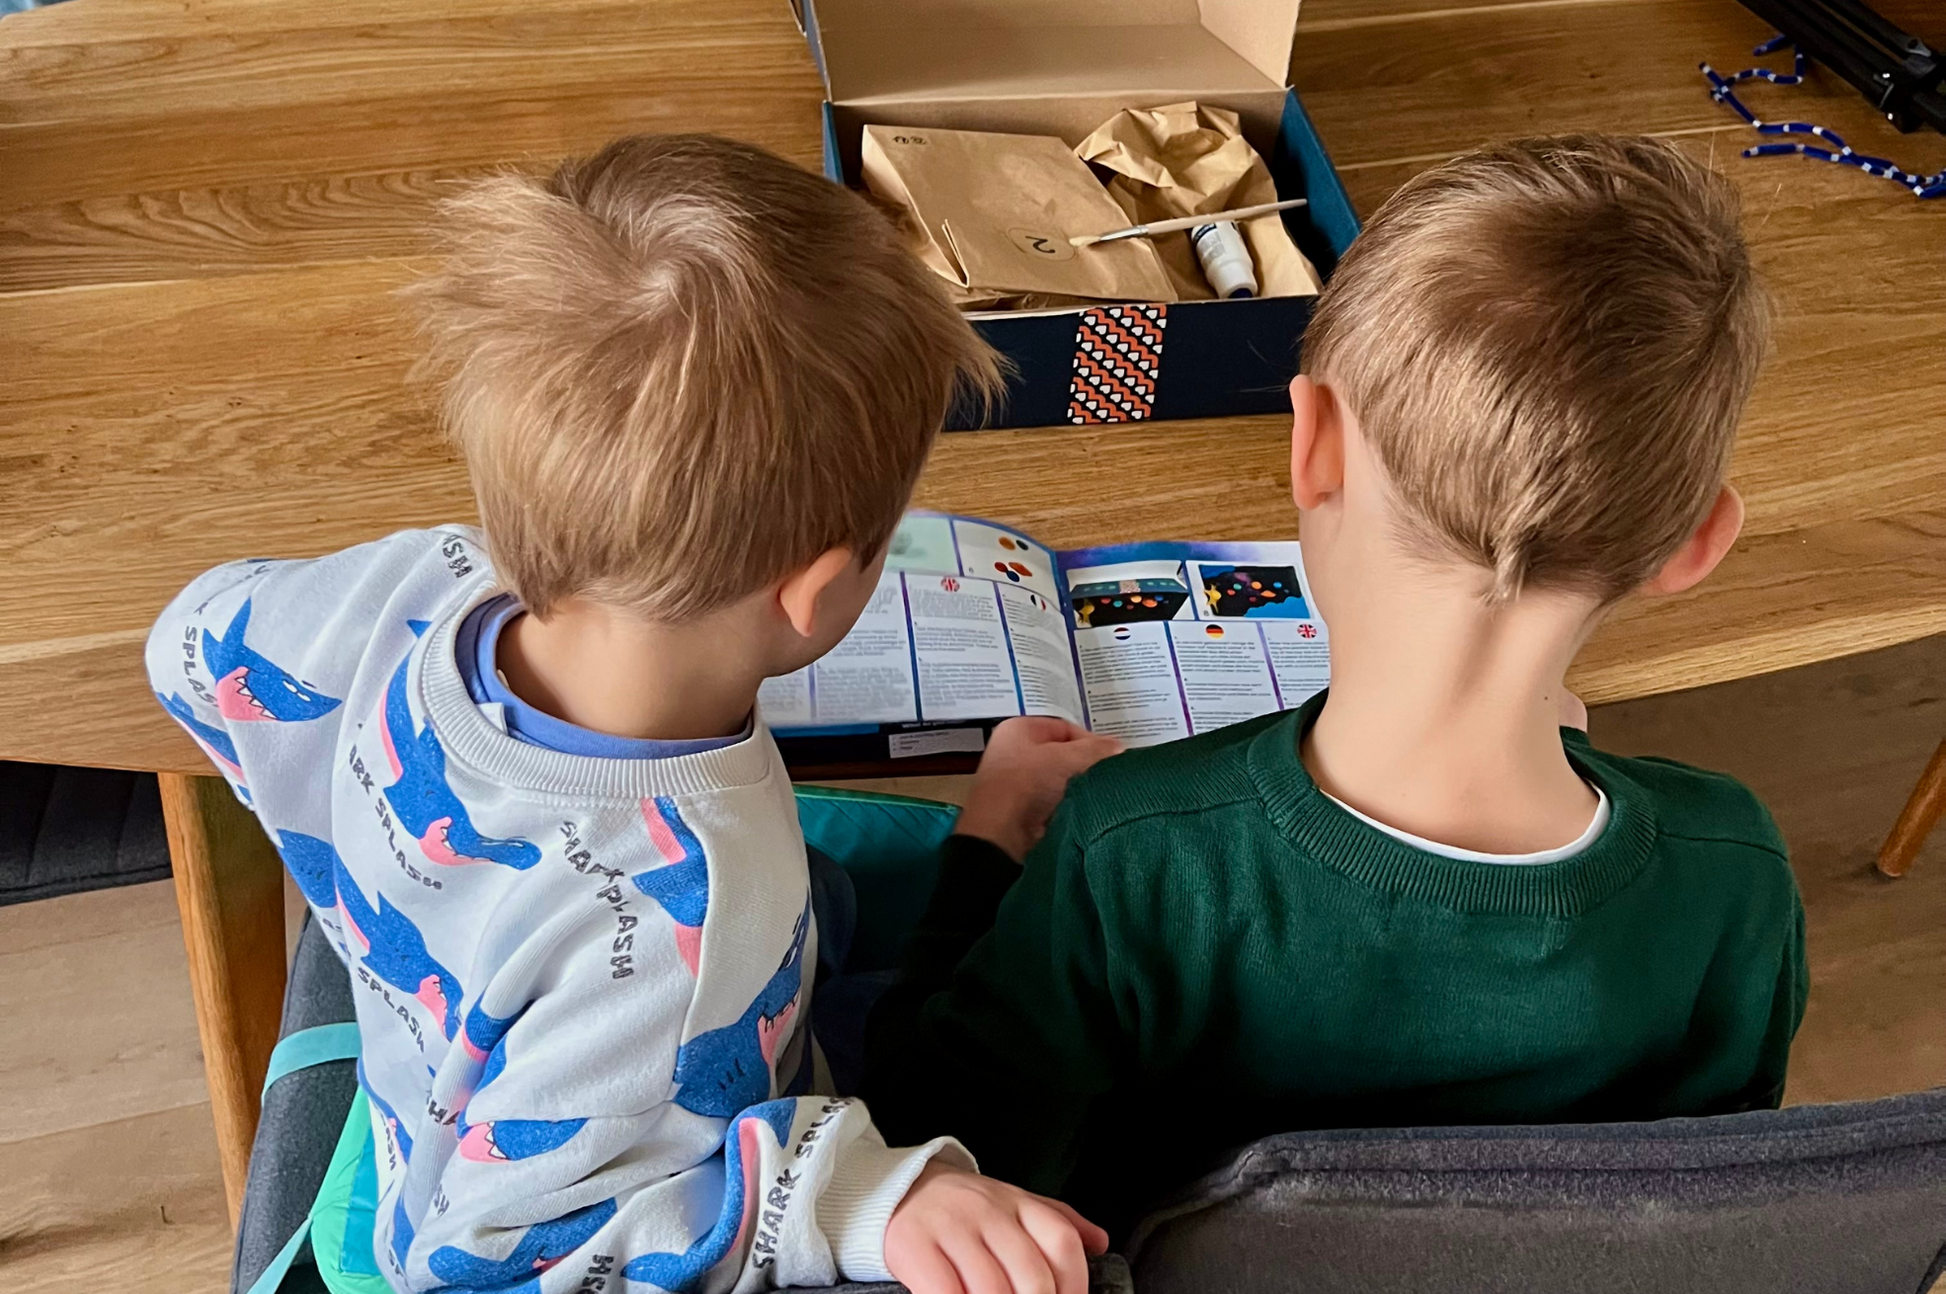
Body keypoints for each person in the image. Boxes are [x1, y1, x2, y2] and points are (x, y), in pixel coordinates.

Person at [147, 134, 1112, 1294]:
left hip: (460, 1067)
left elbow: (194, 645)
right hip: (591, 1181)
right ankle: (984, 854)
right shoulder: (685, 935)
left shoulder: (409, 586)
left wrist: (352, 843)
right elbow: (507, 1260)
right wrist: (850, 1196)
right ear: (811, 595)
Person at [860, 134, 1809, 1240]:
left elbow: (935, 1144)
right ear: (1690, 547)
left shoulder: (1134, 849)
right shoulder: (1733, 868)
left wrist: (983, 847)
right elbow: (1704, 1197)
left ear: (1311, 444)